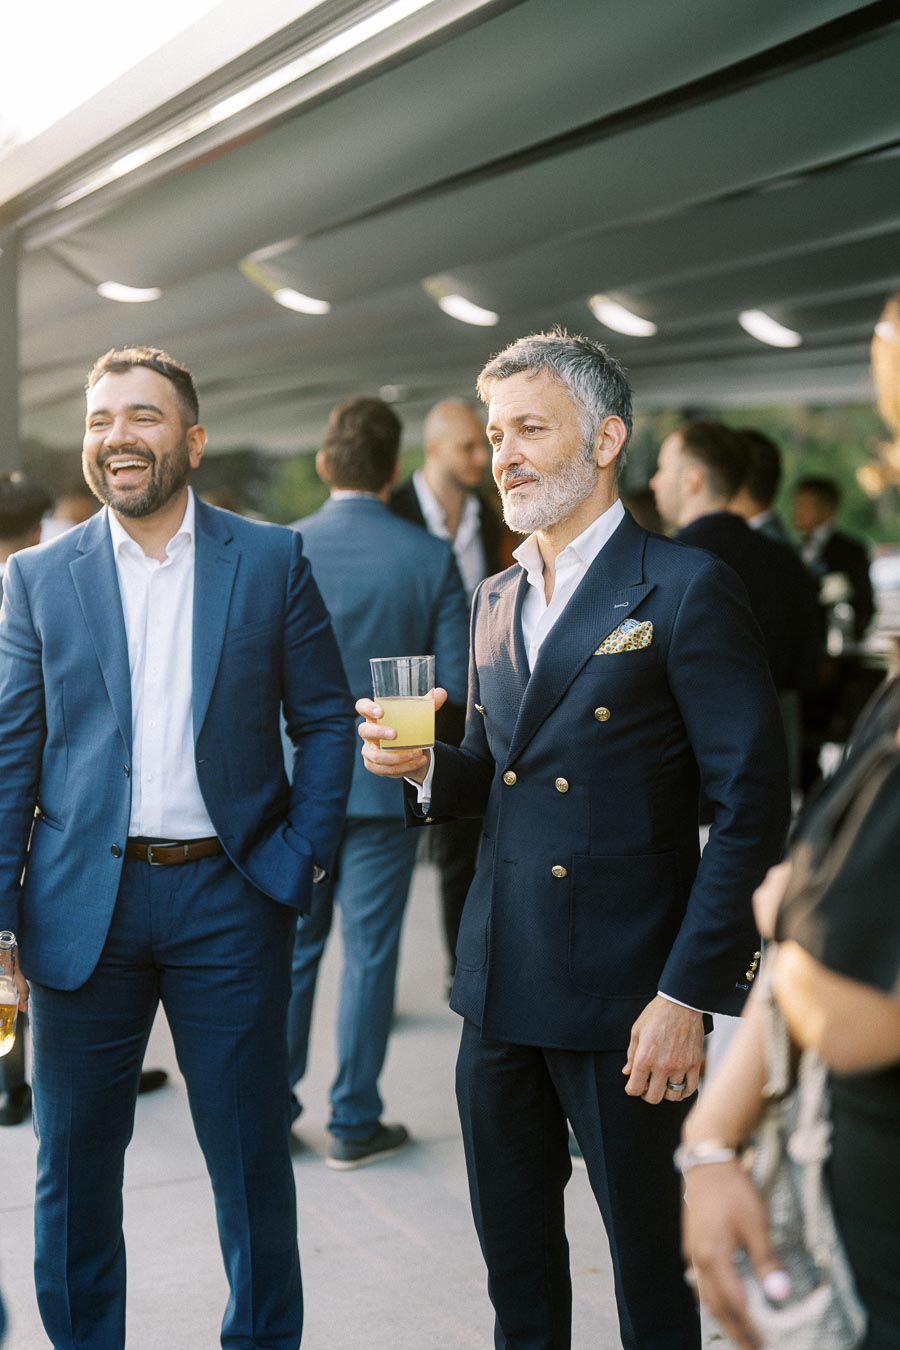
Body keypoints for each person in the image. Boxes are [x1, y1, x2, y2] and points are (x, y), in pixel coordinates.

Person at [357, 330, 790, 1349]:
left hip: (630, 999)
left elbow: (751, 810)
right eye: (496, 433)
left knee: (652, 1283)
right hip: (499, 985)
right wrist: (424, 765)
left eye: (530, 429)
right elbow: (503, 783)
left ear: (607, 439)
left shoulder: (683, 588)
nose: (503, 454)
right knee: (519, 1283)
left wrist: (689, 995)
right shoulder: (498, 595)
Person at [0, 346, 355, 1349]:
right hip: (79, 913)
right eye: (103, 417)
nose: (120, 436)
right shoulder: (37, 578)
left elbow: (327, 720)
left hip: (231, 898)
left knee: (249, 1161)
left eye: (144, 417)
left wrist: (300, 859)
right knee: (70, 1172)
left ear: (190, 440)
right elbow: (10, 750)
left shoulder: (271, 559)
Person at [287, 397, 469, 1168]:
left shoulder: (280, 548)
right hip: (387, 783)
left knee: (293, 951)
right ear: (395, 471)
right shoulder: (429, 558)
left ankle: (269, 1107)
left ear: (325, 464)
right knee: (370, 953)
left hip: (294, 789)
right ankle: (354, 1119)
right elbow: (456, 685)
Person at [390, 398, 506, 988]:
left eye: (483, 445)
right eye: (468, 447)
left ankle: (464, 967)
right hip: (410, 701)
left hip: (476, 702)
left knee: (468, 843)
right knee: (414, 848)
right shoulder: (393, 515)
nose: (481, 458)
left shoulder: (492, 517)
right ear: (433, 448)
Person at [651, 420, 822, 792]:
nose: (653, 482)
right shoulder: (785, 561)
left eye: (663, 469)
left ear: (693, 480)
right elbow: (809, 667)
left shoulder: (664, 566)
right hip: (767, 769)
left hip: (684, 783)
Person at [0, 474, 50, 1127]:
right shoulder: (37, 587)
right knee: (23, 940)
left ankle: (8, 1080)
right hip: (23, 789)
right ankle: (15, 1082)